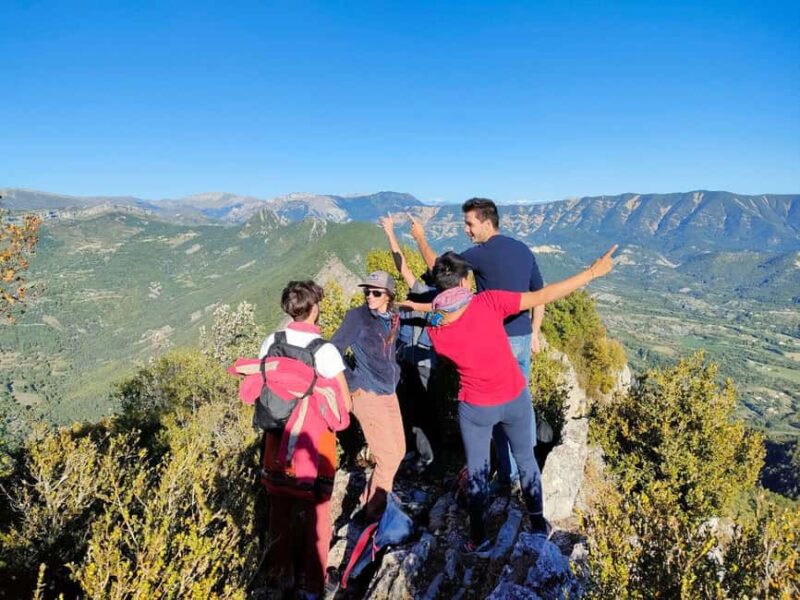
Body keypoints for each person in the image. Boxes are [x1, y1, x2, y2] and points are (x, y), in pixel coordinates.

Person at [405, 245, 616, 551]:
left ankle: (477, 537)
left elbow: (438, 311)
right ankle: (537, 523)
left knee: (477, 469)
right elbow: (543, 295)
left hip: (476, 407)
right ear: (465, 281)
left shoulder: (439, 330)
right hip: (513, 397)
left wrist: (409, 304)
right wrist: (592, 273)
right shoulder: (488, 302)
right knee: (526, 459)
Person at [411, 198, 544, 492]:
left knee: (498, 415)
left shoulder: (481, 254)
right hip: (522, 338)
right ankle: (529, 472)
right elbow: (540, 292)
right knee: (521, 406)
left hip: (497, 342)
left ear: (486, 222)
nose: (467, 230)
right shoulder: (523, 249)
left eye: (470, 224)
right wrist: (535, 330)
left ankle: (507, 479)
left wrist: (420, 237)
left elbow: (441, 270)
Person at [258, 280, 350, 600]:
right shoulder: (325, 351)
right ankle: (314, 583)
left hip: (276, 443)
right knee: (318, 517)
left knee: (279, 513)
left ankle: (281, 577)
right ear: (314, 308)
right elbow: (345, 406)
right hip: (313, 448)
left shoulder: (271, 341)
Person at [331, 271, 405, 521]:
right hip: (366, 392)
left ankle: (369, 499)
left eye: (376, 292)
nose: (369, 296)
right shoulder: (357, 317)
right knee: (387, 457)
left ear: (389, 296)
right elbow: (333, 351)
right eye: (367, 291)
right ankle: (373, 514)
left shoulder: (393, 318)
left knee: (400, 450)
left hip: (388, 391)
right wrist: (352, 384)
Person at [379, 215, 439, 472]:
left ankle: (425, 458)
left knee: (421, 412)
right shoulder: (431, 296)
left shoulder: (430, 296)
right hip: (413, 361)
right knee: (411, 409)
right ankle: (416, 453)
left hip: (422, 363)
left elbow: (401, 266)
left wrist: (391, 233)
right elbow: (401, 267)